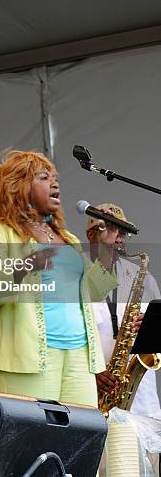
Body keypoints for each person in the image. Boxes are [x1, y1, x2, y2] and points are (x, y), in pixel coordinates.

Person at [0, 150, 118, 407]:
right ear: (19, 187)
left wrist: (106, 250)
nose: (55, 182)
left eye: (55, 177)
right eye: (44, 177)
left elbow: (93, 292)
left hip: (80, 357)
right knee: (34, 440)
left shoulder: (69, 239)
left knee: (80, 439)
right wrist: (26, 265)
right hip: (29, 359)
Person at [87, 204, 161, 476]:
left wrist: (150, 329)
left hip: (142, 398)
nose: (121, 238)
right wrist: (91, 373)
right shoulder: (79, 278)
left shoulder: (143, 277)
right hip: (96, 394)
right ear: (92, 233)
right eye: (114, 229)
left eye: (125, 232)